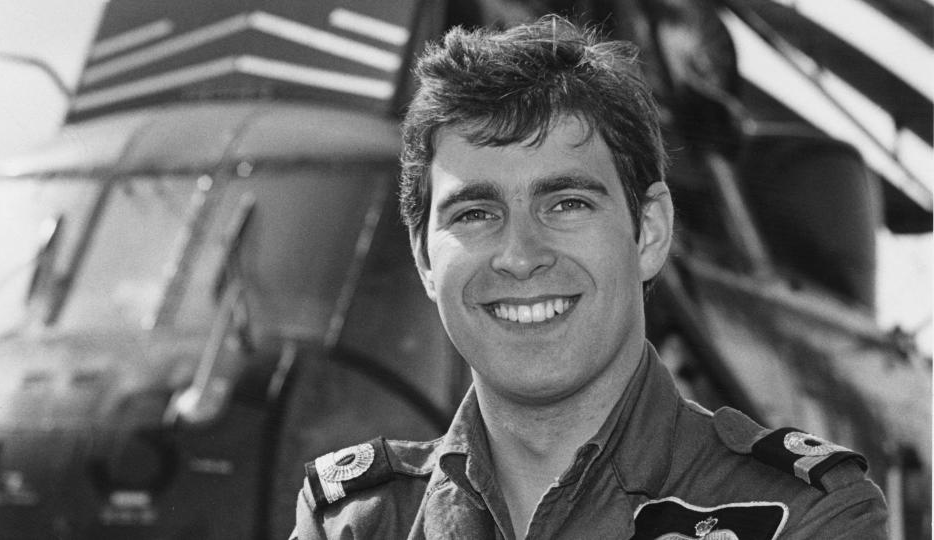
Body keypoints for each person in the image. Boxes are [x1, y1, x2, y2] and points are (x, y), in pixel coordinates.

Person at [293, 16, 888, 539]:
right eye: (475, 214)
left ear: (649, 232)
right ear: (425, 259)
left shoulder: (805, 515)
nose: (520, 256)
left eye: (567, 203)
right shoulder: (358, 520)